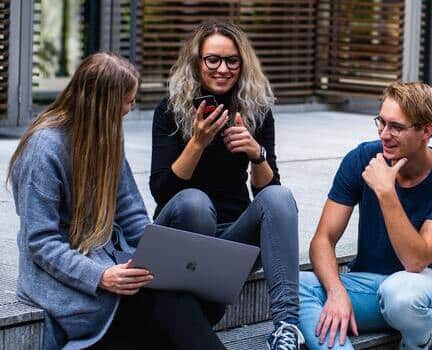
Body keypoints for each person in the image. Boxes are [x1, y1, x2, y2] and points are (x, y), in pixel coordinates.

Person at [8, 52, 227, 350]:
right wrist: (100, 276)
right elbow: (41, 242)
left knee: (202, 301)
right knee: (174, 305)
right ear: (104, 104)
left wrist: (159, 259)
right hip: (68, 280)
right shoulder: (43, 150)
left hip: (111, 261)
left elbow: (131, 213)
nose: (131, 107)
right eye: (127, 100)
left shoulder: (108, 135)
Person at [149, 20, 303, 349]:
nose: (223, 69)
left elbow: (267, 195)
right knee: (195, 202)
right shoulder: (171, 111)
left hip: (232, 237)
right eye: (213, 60)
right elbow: (161, 191)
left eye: (232, 60)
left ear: (242, 63)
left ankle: (286, 326)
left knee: (280, 197)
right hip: (181, 234)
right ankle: (196, 310)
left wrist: (256, 154)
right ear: (197, 62)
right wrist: (197, 142)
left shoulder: (256, 111)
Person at [298, 82, 432, 349]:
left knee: (401, 293)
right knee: (297, 285)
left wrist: (386, 192)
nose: (384, 134)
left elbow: (415, 261)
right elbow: (323, 239)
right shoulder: (362, 158)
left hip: (422, 289)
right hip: (368, 286)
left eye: (397, 127)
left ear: (427, 130)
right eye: (381, 122)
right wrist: (336, 293)